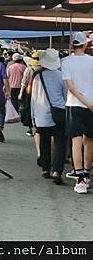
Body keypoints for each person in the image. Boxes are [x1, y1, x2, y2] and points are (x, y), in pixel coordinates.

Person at [61, 32, 93, 194]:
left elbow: (71, 88)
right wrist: (90, 103)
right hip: (92, 105)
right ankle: (86, 173)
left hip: (74, 104)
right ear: (85, 44)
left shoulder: (66, 62)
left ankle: (79, 177)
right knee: (90, 139)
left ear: (72, 45)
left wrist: (85, 102)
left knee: (76, 140)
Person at [31, 49, 67, 185]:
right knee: (60, 142)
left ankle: (45, 169)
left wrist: (33, 116)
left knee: (44, 141)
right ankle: (57, 171)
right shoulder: (61, 75)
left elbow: (33, 99)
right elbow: (65, 95)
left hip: (41, 114)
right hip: (58, 113)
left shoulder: (37, 76)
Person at [19, 51, 40, 137]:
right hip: (40, 93)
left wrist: (20, 93)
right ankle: (38, 127)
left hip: (30, 92)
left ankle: (30, 128)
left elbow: (24, 82)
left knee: (29, 109)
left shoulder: (29, 69)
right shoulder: (44, 68)